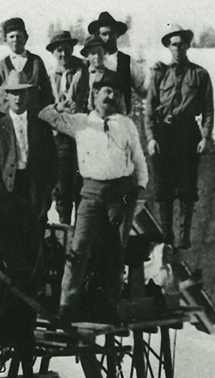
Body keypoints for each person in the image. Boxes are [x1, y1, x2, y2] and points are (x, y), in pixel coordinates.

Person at [38, 71, 148, 323]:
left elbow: (139, 158)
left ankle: (109, 305)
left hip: (120, 195)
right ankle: (67, 305)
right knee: (79, 249)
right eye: (105, 92)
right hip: (90, 193)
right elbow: (44, 115)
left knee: (114, 252)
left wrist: (140, 186)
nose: (111, 97)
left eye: (116, 94)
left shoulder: (126, 124)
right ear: (94, 96)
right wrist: (59, 106)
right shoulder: (80, 122)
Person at [147, 23, 214, 250]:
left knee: (187, 186)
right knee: (164, 188)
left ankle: (184, 235)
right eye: (173, 44)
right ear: (168, 47)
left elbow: (208, 109)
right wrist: (151, 137)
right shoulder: (159, 74)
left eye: (181, 44)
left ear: (187, 46)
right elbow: (150, 108)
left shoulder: (200, 74)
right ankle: (167, 234)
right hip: (164, 133)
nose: (177, 48)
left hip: (187, 133)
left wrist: (205, 136)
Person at [0, 71, 58, 223]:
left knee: (35, 234)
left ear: (28, 95)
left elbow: (53, 163)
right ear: (7, 96)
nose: (18, 98)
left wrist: (46, 193)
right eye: (14, 93)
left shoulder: (41, 126)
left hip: (35, 189)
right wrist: (2, 196)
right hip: (9, 190)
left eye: (22, 93)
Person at [47, 31, 85, 223]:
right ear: (54, 53)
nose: (63, 54)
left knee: (80, 181)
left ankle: (81, 228)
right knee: (62, 181)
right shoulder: (51, 76)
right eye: (59, 50)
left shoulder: (82, 71)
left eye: (67, 50)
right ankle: (63, 222)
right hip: (59, 134)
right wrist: (57, 108)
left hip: (81, 132)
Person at [0, 17, 54, 113]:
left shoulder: (36, 62)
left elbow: (47, 91)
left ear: (25, 38)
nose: (15, 40)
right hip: (9, 120)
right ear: (6, 40)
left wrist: (41, 111)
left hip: (33, 118)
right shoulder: (2, 66)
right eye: (11, 37)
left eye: (19, 36)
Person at [87, 11, 148, 112]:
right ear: (98, 36)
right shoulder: (91, 62)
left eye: (112, 34)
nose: (108, 38)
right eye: (104, 34)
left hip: (121, 119)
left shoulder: (127, 61)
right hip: (95, 120)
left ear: (117, 35)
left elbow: (142, 91)